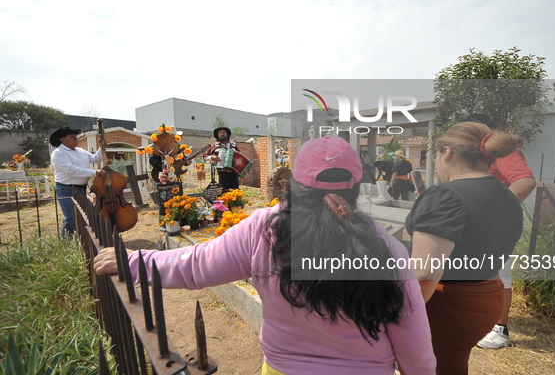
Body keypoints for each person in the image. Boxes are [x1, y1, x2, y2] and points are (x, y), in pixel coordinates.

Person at [95, 136, 436, 375]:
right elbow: (416, 351)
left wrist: (133, 261)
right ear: (356, 186)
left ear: (295, 184)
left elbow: (195, 265)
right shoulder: (386, 248)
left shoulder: (264, 231)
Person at [405, 122, 525, 375]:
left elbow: (424, 274)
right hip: (487, 296)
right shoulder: (505, 194)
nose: (436, 162)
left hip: (448, 304)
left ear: (447, 152)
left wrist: (399, 314)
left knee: (430, 367)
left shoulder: (444, 195)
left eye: (435, 155)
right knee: (451, 364)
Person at [460, 114, 537, 350]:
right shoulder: (480, 156)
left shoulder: (501, 152)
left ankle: (500, 330)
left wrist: (496, 211)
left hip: (494, 224)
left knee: (499, 275)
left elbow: (525, 181)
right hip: (480, 223)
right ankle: (484, 320)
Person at [50, 126, 106, 238]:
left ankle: (80, 238)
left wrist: (101, 147)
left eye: (76, 136)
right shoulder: (58, 153)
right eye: (72, 137)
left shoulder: (81, 151)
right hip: (65, 189)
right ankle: (67, 241)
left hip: (81, 188)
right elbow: (71, 171)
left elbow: (96, 159)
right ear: (62, 139)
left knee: (82, 215)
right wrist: (95, 172)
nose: (76, 139)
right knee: (71, 216)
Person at [204, 127, 240, 192]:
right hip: (222, 173)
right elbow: (205, 156)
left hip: (234, 173)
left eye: (224, 133)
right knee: (223, 192)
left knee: (235, 192)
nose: (222, 134)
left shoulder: (234, 145)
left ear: (227, 134)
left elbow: (240, 157)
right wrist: (212, 157)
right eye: (220, 133)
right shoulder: (214, 145)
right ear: (217, 135)